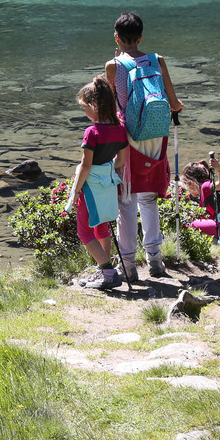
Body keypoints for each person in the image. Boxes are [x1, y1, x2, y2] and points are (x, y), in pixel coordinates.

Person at [105, 11, 183, 280]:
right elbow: (173, 102)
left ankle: (128, 266)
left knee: (126, 202)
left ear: (116, 37)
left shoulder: (113, 66)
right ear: (141, 37)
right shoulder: (157, 60)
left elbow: (113, 107)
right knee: (149, 198)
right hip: (156, 135)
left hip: (128, 139)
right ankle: (156, 261)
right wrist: (175, 107)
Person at [65, 76, 129, 290]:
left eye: (85, 109)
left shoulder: (92, 132)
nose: (85, 114)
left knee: (84, 232)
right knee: (102, 227)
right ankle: (105, 269)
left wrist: (75, 191)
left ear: (94, 105)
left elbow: (85, 165)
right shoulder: (120, 129)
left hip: (91, 188)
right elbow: (121, 160)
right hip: (108, 186)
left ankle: (108, 272)